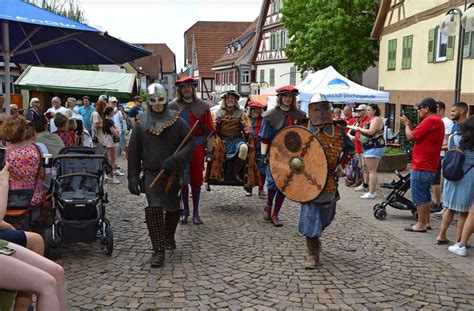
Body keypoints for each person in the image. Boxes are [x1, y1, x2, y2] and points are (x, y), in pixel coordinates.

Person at [128, 83, 195, 267]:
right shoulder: (141, 123)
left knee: (173, 209)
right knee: (155, 209)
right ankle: (158, 251)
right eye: (153, 100)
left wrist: (177, 159)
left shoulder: (177, 121)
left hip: (172, 174)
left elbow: (190, 144)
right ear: (149, 102)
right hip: (151, 174)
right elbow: (133, 152)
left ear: (166, 99)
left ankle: (168, 236)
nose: (157, 104)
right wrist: (132, 177)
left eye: (160, 100)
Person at [299, 94, 352, 269]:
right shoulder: (302, 130)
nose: (320, 113)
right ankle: (313, 255)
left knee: (326, 216)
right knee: (310, 218)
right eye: (316, 109)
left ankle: (316, 237)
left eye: (324, 108)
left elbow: (349, 150)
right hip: (307, 182)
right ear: (310, 110)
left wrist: (341, 165)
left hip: (329, 181)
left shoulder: (338, 131)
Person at [169, 76, 216, 225]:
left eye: (189, 87)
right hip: (180, 147)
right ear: (180, 90)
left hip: (197, 146)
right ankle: (185, 211)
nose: (187, 90)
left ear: (193, 89)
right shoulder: (172, 106)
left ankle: (196, 212)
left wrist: (209, 151)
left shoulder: (203, 107)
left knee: (196, 180)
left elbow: (209, 131)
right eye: (184, 87)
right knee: (183, 180)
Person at [259, 86, 306, 226]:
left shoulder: (299, 115)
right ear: (280, 98)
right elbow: (265, 138)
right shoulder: (270, 115)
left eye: (290, 96)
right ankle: (268, 204)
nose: (287, 99)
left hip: (292, 156)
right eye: (285, 96)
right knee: (273, 183)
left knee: (285, 184)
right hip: (275, 153)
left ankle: (275, 214)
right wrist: (263, 155)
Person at [400, 97, 444, 233]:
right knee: (425, 194)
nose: (418, 111)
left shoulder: (430, 120)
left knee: (419, 194)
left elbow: (410, 137)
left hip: (422, 163)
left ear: (426, 108)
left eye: (419, 108)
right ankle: (426, 222)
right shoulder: (437, 121)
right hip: (429, 163)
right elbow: (418, 135)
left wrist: (407, 124)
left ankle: (420, 224)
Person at [436, 116, 474, 255]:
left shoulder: (455, 137)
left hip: (455, 172)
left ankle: (441, 235)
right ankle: (460, 240)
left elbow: (450, 152)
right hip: (470, 176)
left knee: (449, 207)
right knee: (464, 211)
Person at [208, 90, 254, 184]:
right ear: (224, 100)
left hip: (237, 139)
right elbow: (212, 128)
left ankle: (236, 172)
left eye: (232, 98)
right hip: (222, 140)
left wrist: (246, 129)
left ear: (235, 100)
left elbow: (248, 127)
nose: (230, 100)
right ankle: (216, 175)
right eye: (228, 98)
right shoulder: (218, 113)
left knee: (244, 148)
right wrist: (216, 125)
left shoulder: (242, 113)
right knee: (216, 148)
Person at [353, 104, 386, 199]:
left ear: (374, 110)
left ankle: (372, 192)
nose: (367, 112)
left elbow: (371, 131)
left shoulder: (376, 119)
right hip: (370, 147)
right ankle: (372, 191)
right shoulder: (372, 120)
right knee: (370, 170)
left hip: (374, 147)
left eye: (368, 110)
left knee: (372, 171)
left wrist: (358, 129)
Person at [431, 101, 454, 213]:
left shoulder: (447, 123)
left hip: (442, 154)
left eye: (436, 109)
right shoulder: (437, 121)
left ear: (441, 109)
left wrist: (437, 147)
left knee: (438, 179)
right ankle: (436, 201)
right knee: (434, 179)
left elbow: (448, 141)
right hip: (436, 153)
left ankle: (438, 203)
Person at [248, 100, 267, 197]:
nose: (255, 111)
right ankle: (249, 189)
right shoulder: (247, 119)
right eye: (253, 109)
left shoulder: (264, 120)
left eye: (257, 109)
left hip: (261, 147)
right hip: (250, 147)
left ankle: (261, 189)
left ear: (261, 111)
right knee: (249, 168)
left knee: (262, 169)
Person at [350, 105, 370, 192]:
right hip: (359, 147)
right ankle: (364, 183)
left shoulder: (367, 120)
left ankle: (365, 184)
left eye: (359, 111)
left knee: (365, 167)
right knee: (362, 166)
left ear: (365, 111)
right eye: (357, 111)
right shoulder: (362, 120)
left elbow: (366, 134)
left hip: (364, 148)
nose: (358, 112)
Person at [103, 106, 120, 184]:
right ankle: (112, 176)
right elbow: (115, 132)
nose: (114, 112)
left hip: (109, 139)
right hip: (111, 141)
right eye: (112, 111)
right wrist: (117, 132)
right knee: (112, 159)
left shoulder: (107, 120)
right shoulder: (109, 122)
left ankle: (109, 174)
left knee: (110, 158)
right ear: (109, 112)